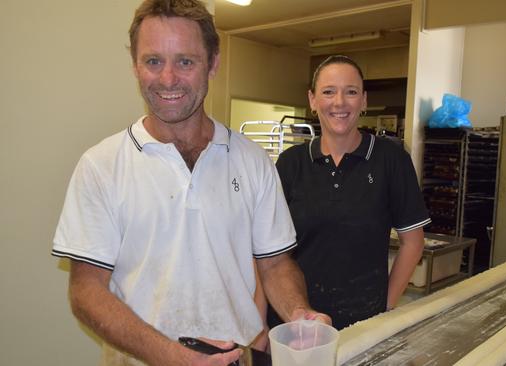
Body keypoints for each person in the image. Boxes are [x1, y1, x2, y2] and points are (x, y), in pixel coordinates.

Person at [51, 1, 327, 365]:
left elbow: (275, 265)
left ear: (212, 63)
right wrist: (173, 357)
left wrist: (298, 314)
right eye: (153, 61)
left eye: (185, 61)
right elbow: (86, 291)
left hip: (234, 359)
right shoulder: (102, 166)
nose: (168, 79)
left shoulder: (252, 161)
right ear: (135, 65)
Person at [268, 55, 432, 330]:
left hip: (362, 326)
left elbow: (413, 242)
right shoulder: (290, 163)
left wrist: (385, 308)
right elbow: (269, 254)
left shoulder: (391, 160)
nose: (339, 102)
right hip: (297, 322)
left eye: (351, 92)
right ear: (312, 99)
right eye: (328, 92)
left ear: (364, 100)